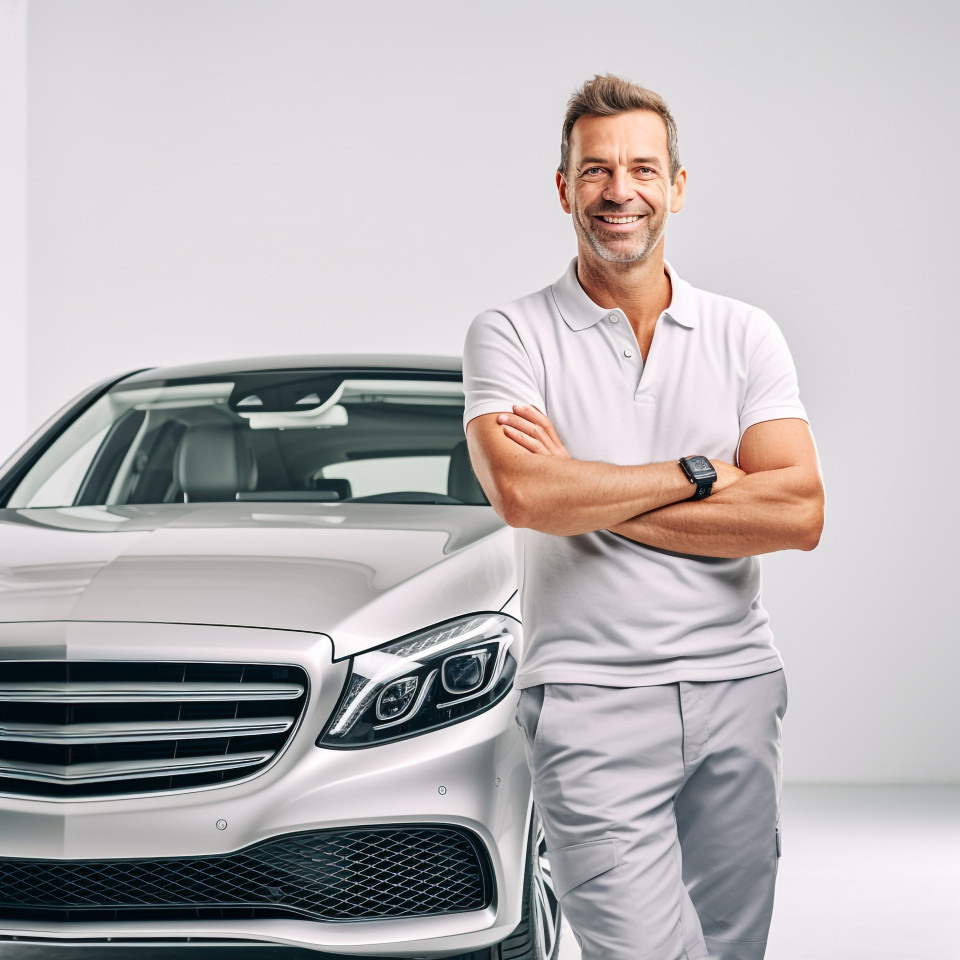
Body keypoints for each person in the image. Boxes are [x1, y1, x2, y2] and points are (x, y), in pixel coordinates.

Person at [462, 75, 824, 960]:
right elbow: (525, 496)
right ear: (563, 189)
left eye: (641, 169)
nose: (619, 191)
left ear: (677, 185)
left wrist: (587, 489)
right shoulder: (510, 334)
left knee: (732, 949)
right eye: (595, 171)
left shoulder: (746, 334)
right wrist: (705, 474)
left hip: (737, 687)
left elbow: (800, 508)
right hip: (589, 700)